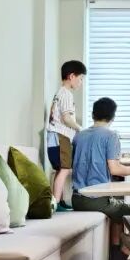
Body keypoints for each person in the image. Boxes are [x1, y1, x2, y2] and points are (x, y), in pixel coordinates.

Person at [70, 97, 130, 260]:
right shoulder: (110, 136)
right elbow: (115, 169)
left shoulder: (79, 136)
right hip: (96, 200)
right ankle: (122, 256)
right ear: (113, 117)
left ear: (93, 114)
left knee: (117, 212)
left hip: (77, 198)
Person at [47, 60, 86, 212]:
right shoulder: (66, 94)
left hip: (55, 136)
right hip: (61, 136)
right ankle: (56, 203)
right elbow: (66, 118)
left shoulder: (59, 93)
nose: (81, 82)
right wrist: (80, 128)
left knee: (60, 169)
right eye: (81, 78)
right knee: (65, 169)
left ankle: (60, 201)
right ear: (72, 76)